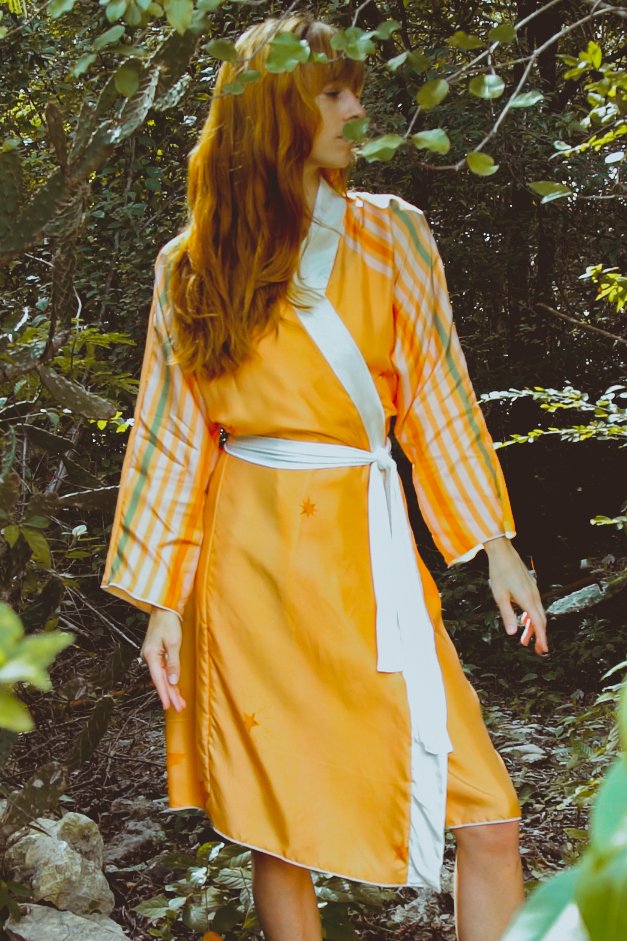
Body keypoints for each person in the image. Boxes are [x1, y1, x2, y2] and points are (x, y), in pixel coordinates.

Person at [101, 14, 548, 941]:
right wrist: (162, 601)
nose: (355, 111)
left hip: (367, 544)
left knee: (490, 817)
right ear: (274, 110)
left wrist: (497, 547)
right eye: (332, 94)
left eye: (355, 91)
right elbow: (172, 437)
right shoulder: (193, 265)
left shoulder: (394, 235)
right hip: (252, 560)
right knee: (281, 829)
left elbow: (438, 397)